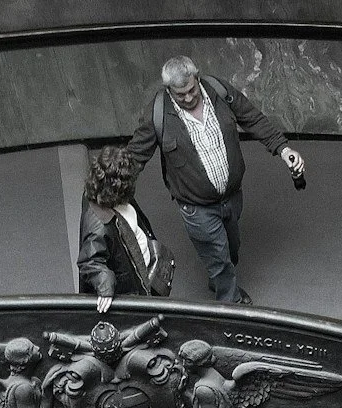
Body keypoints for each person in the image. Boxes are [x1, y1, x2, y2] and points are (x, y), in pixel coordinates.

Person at [118, 56, 306, 305]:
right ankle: (231, 306)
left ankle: (219, 276)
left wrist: (283, 149)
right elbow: (135, 155)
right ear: (168, 90)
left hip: (232, 197)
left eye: (191, 90)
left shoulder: (220, 91)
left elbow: (253, 118)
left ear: (198, 78)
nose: (187, 98)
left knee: (231, 248)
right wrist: (114, 188)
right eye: (179, 94)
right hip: (196, 208)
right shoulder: (158, 113)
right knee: (218, 257)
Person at [76, 145, 173, 312]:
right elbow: (90, 260)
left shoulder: (109, 196)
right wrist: (105, 285)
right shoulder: (98, 223)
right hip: (130, 283)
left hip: (135, 267)